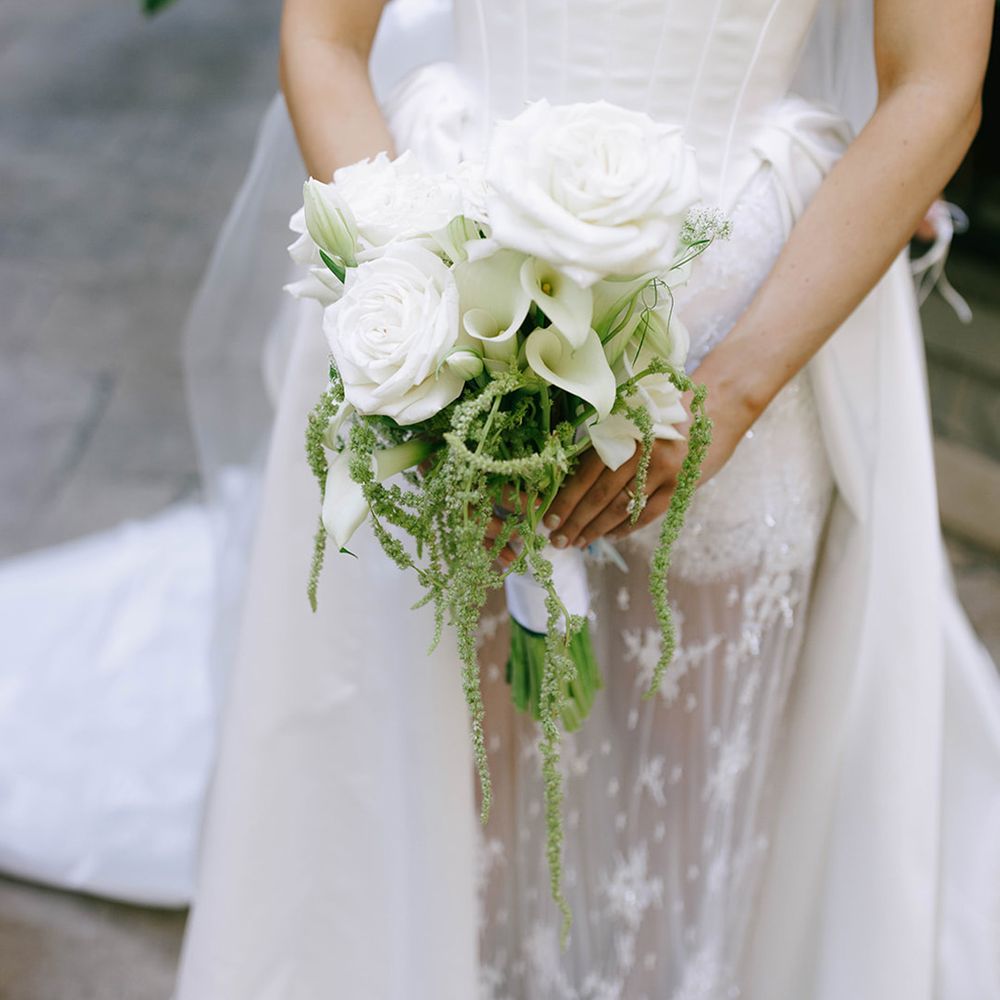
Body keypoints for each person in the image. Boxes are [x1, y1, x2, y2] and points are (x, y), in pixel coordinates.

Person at [174, 1, 1000, 998]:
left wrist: (734, 389)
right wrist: (425, 324)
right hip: (462, 279)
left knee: (697, 802)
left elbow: (935, 82)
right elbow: (323, 38)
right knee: (463, 787)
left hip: (756, 311)